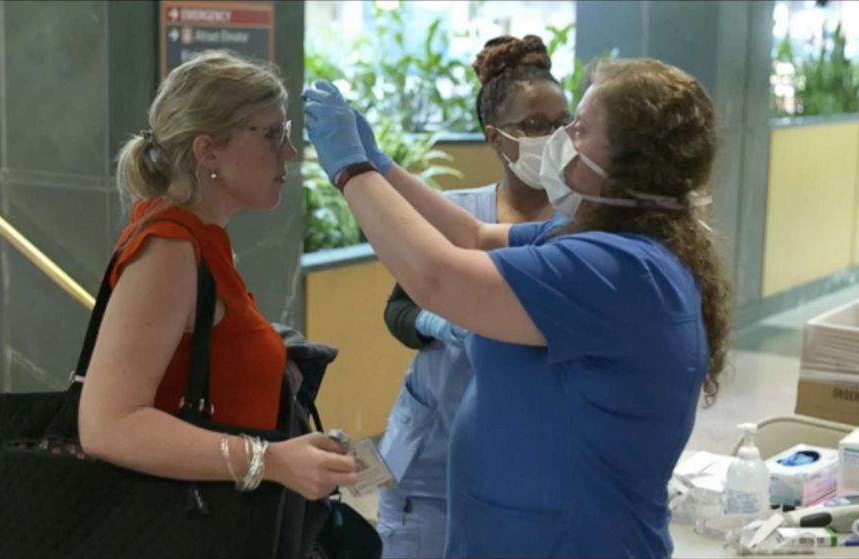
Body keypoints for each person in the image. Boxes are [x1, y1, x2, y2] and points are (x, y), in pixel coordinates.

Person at [303, 57, 730, 558]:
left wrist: (350, 170)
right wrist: (382, 167)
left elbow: (439, 277)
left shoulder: (618, 269)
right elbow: (473, 235)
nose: (561, 138)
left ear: (630, 159)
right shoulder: (600, 238)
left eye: (580, 127)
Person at [77, 50, 357, 534]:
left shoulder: (199, 239)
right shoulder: (168, 248)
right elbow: (108, 425)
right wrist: (269, 461)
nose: (289, 152)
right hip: (186, 527)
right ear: (208, 151)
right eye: (273, 134)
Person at [376, 35, 564, 559]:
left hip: (529, 468)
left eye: (562, 123)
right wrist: (435, 323)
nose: (552, 136)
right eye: (533, 125)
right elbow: (398, 309)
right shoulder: (455, 214)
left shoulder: (583, 230)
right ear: (495, 136)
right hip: (430, 462)